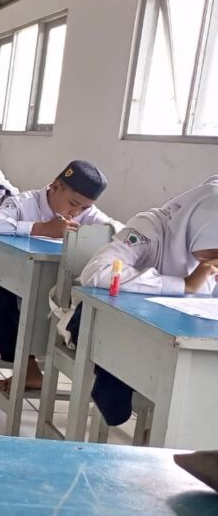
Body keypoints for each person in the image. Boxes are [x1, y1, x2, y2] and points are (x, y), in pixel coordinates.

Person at [74, 176, 218, 425]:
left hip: (179, 338)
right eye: (214, 250)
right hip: (117, 326)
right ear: (199, 227)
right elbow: (96, 273)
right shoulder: (150, 228)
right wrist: (183, 285)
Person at [0, 161, 117, 392]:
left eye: (84, 208)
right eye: (73, 204)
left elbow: (118, 232)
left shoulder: (88, 214)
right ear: (56, 186)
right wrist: (40, 228)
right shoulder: (24, 203)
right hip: (18, 282)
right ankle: (27, 367)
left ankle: (98, 382)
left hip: (60, 289)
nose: (76, 213)